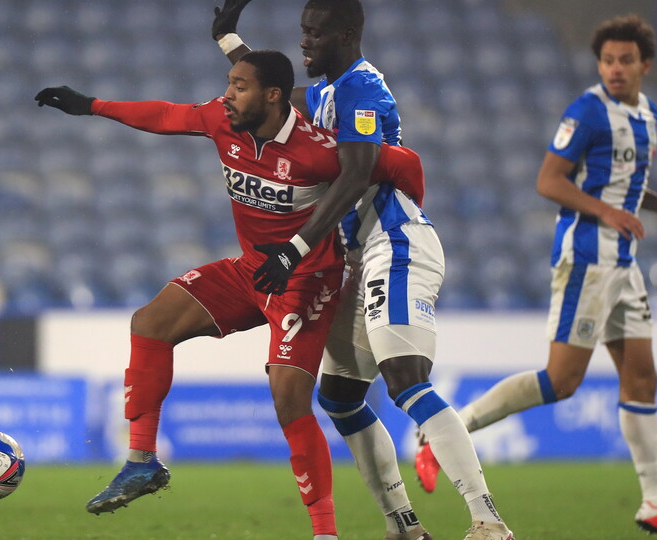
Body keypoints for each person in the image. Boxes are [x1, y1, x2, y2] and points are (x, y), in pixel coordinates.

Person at [36, 49, 432, 540]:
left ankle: (325, 533)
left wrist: (411, 221)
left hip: (306, 284)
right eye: (228, 83)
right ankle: (142, 462)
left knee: (289, 399)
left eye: (238, 86)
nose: (226, 95)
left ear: (272, 97)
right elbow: (164, 115)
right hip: (251, 270)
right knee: (150, 323)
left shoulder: (319, 151)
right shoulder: (223, 122)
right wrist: (91, 105)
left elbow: (402, 163)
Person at [212, 2, 514, 540]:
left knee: (405, 378)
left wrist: (297, 248)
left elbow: (355, 176)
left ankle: (487, 521)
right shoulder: (328, 91)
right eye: (302, 32)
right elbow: (271, 93)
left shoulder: (361, 89)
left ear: (347, 35)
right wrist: (228, 41)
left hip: (395, 243)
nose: (305, 42)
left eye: (316, 34)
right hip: (360, 255)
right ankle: (404, 526)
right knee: (340, 396)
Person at [413, 14, 657, 540]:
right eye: (607, 60)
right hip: (587, 258)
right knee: (561, 381)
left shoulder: (647, 113)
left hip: (625, 262)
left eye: (625, 60)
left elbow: (620, 182)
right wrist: (607, 213)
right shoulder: (588, 112)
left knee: (641, 376)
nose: (615, 69)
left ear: (645, 65)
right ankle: (444, 436)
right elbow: (549, 180)